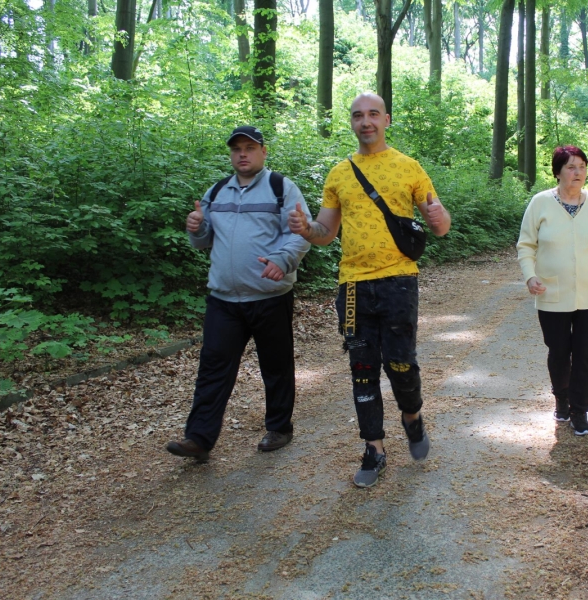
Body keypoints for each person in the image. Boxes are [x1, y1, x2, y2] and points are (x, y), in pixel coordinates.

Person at [288, 93, 451, 487]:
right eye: (358, 116)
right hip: (352, 287)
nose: (366, 122)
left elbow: (441, 225)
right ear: (352, 123)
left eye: (373, 114)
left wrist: (436, 215)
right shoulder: (339, 173)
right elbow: (325, 233)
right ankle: (373, 448)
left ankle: (411, 415)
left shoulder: (408, 167)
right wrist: (306, 229)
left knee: (400, 363)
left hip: (399, 281)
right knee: (362, 368)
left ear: (386, 120)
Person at [166, 125, 312, 461]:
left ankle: (279, 428)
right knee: (213, 367)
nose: (242, 154)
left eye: (249, 147)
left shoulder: (281, 188)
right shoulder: (217, 192)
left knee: (275, 366)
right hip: (224, 300)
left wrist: (283, 259)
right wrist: (196, 228)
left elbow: (301, 234)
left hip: (270, 296)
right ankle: (199, 439)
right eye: (236, 149)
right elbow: (203, 241)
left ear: (263, 151)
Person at [517, 146, 588, 436]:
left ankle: (580, 411)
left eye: (582, 167)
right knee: (559, 352)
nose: (578, 172)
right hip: (551, 295)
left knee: (586, 355)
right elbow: (526, 245)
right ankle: (562, 398)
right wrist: (530, 277)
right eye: (571, 167)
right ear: (557, 171)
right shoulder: (540, 203)